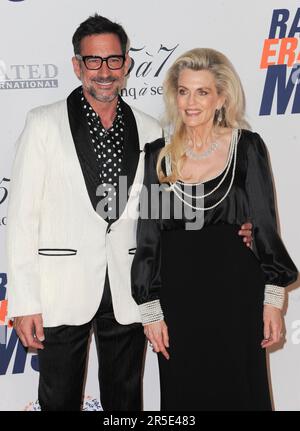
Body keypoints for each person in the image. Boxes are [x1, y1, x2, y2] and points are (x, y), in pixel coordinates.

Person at [6, 14, 252, 411]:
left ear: (127, 64)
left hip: (127, 288)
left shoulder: (151, 128)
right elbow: (20, 220)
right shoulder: (43, 124)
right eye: (93, 61)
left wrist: (236, 227)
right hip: (59, 290)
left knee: (126, 401)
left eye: (113, 60)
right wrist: (23, 303)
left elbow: (167, 209)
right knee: (57, 400)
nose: (104, 72)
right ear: (76, 65)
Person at [131, 48, 298, 411]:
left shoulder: (247, 148)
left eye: (202, 92)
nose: (191, 102)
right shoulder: (158, 155)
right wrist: (151, 311)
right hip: (178, 301)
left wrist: (272, 302)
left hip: (237, 295)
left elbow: (265, 228)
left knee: (242, 391)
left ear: (221, 97)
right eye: (184, 91)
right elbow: (148, 238)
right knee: (183, 396)